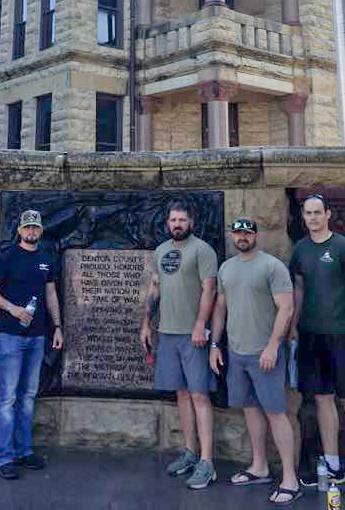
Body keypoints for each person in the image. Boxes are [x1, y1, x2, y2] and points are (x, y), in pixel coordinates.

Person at [289, 193, 345, 501]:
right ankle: (334, 465)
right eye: (307, 213)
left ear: (327, 214)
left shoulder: (343, 248)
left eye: (317, 212)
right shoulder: (299, 250)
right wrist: (294, 328)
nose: (312, 218)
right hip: (312, 336)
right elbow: (298, 290)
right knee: (323, 400)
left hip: (342, 335)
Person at [210, 218, 300, 504]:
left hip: (265, 354)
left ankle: (290, 479)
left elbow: (286, 309)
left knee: (276, 413)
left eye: (247, 232)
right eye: (238, 233)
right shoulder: (226, 268)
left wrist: (273, 347)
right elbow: (221, 309)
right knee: (250, 410)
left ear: (256, 235)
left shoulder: (272, 266)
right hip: (237, 355)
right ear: (233, 236)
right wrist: (215, 345)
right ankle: (259, 466)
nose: (243, 237)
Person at [140, 199, 218, 490]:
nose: (177, 224)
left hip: (192, 335)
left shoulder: (203, 251)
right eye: (173, 220)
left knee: (199, 396)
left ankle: (207, 462)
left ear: (191, 223)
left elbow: (209, 290)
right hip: (167, 333)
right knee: (182, 395)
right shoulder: (161, 251)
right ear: (167, 223)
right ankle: (190, 451)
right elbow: (155, 287)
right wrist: (146, 322)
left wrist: (200, 325)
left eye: (182, 220)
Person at [0, 209, 64, 480]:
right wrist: (12, 309)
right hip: (10, 335)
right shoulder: (7, 257)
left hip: (38, 335)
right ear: (19, 230)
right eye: (27, 228)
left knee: (28, 397)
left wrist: (57, 327)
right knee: (7, 398)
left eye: (35, 228)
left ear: (41, 231)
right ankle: (4, 457)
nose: (31, 232)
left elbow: (51, 294)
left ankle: (23, 451)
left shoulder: (45, 259)